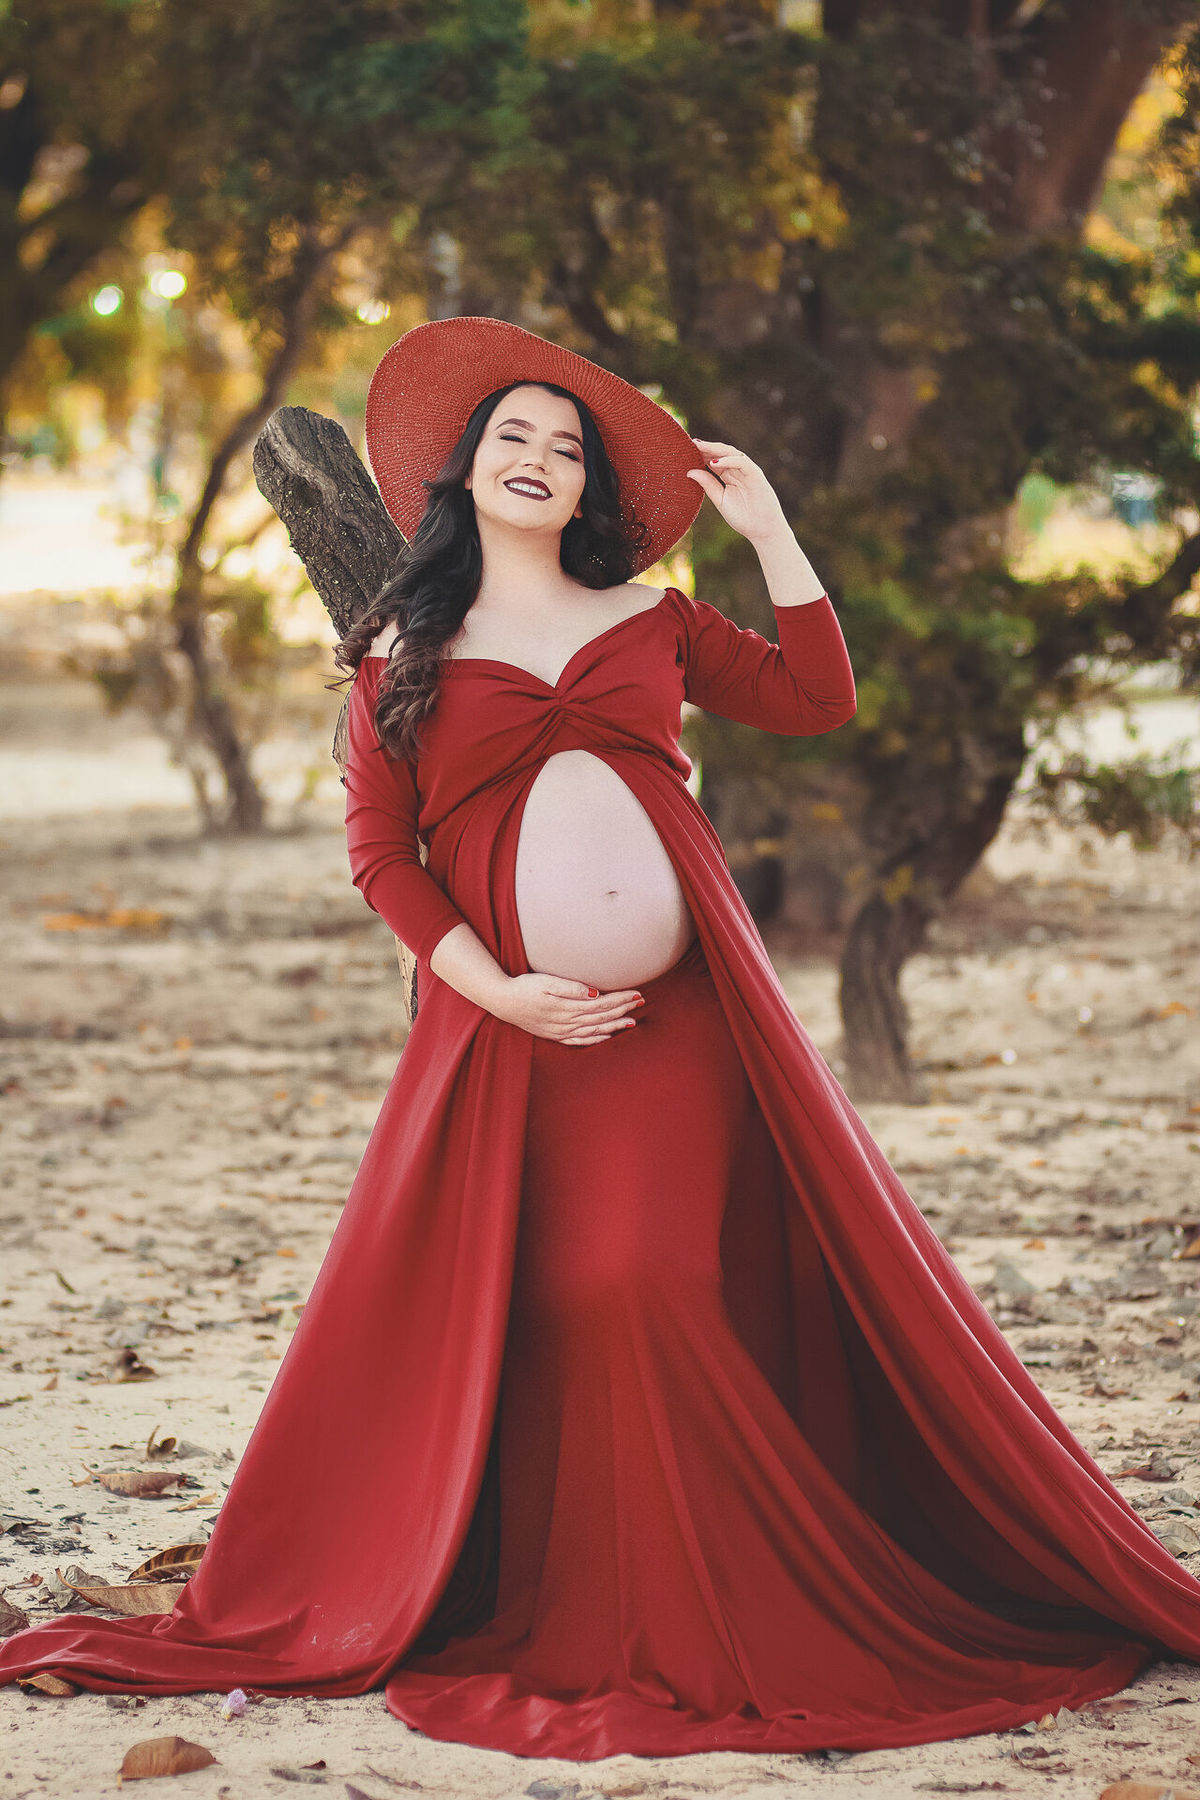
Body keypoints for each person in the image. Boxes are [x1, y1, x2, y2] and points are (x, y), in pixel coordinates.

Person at [3, 316, 1200, 1763]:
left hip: (684, 1025)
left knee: (663, 1279)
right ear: (463, 471)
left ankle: (711, 1601)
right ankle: (573, 1588)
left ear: (588, 495)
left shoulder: (656, 620)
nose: (539, 459)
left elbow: (821, 699)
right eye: (513, 436)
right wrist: (489, 988)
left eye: (566, 449)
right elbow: (382, 852)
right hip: (512, 1031)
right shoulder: (406, 643)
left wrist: (768, 532)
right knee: (555, 1297)